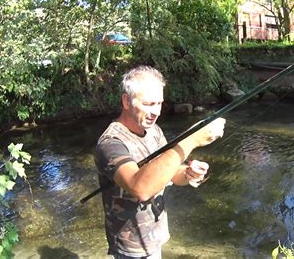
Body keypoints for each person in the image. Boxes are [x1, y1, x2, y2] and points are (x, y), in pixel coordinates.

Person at [94, 65, 226, 258]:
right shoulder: (111, 143)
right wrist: (191, 140)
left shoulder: (154, 130)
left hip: (155, 236)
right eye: (148, 104)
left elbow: (169, 173)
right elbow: (141, 188)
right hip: (132, 246)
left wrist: (188, 173)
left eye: (159, 104)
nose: (155, 111)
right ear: (126, 101)